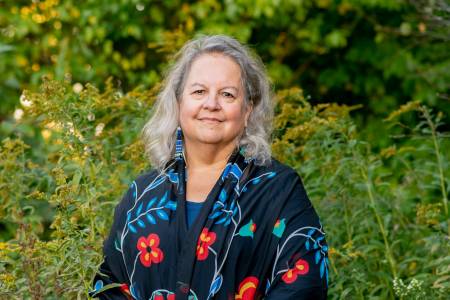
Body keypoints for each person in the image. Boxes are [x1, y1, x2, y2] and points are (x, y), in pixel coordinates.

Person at [89, 34, 328, 300]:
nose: (211, 104)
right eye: (199, 91)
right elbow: (109, 287)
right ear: (179, 102)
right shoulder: (141, 195)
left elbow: (303, 287)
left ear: (248, 109)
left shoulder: (278, 190)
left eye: (227, 94)